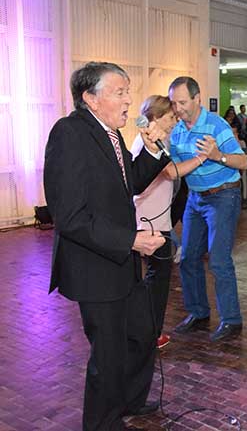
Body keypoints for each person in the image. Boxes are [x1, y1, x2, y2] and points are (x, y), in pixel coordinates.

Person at [44, 62, 169, 431]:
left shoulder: (112, 134)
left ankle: (129, 400)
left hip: (121, 261)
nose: (129, 100)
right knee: (108, 354)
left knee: (142, 333)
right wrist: (131, 240)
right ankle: (102, 423)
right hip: (94, 266)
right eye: (120, 92)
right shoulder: (69, 133)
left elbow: (128, 183)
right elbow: (69, 216)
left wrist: (151, 152)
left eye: (128, 91)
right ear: (91, 98)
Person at [169, 76, 247, 342]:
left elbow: (243, 162)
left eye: (182, 102)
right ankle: (198, 313)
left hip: (223, 196)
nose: (178, 108)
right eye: (174, 103)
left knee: (218, 259)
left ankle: (231, 320)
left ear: (197, 98)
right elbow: (176, 169)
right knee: (188, 258)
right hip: (195, 198)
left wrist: (217, 156)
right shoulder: (177, 130)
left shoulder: (216, 125)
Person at [130, 95, 179, 350]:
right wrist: (204, 158)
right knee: (156, 283)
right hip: (151, 223)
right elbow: (167, 173)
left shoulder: (154, 143)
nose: (174, 122)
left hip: (159, 220)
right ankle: (151, 334)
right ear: (155, 118)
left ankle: (151, 331)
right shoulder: (147, 144)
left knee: (157, 280)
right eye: (170, 117)